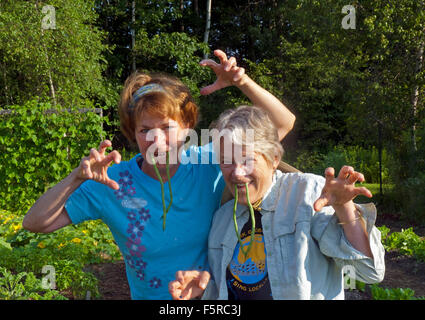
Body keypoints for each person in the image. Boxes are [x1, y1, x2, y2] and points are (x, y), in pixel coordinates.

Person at [22, 50, 296, 299]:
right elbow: (35, 222)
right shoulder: (110, 182)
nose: (156, 140)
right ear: (133, 134)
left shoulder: (208, 161)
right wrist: (76, 179)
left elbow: (283, 123)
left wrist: (241, 82)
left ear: (187, 126)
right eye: (144, 130)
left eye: (167, 127)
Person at [169, 106, 385, 300]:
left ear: (273, 158)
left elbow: (369, 272)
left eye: (246, 160)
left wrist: (345, 210)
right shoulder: (223, 218)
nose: (237, 173)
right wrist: (203, 290)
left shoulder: (307, 194)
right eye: (226, 161)